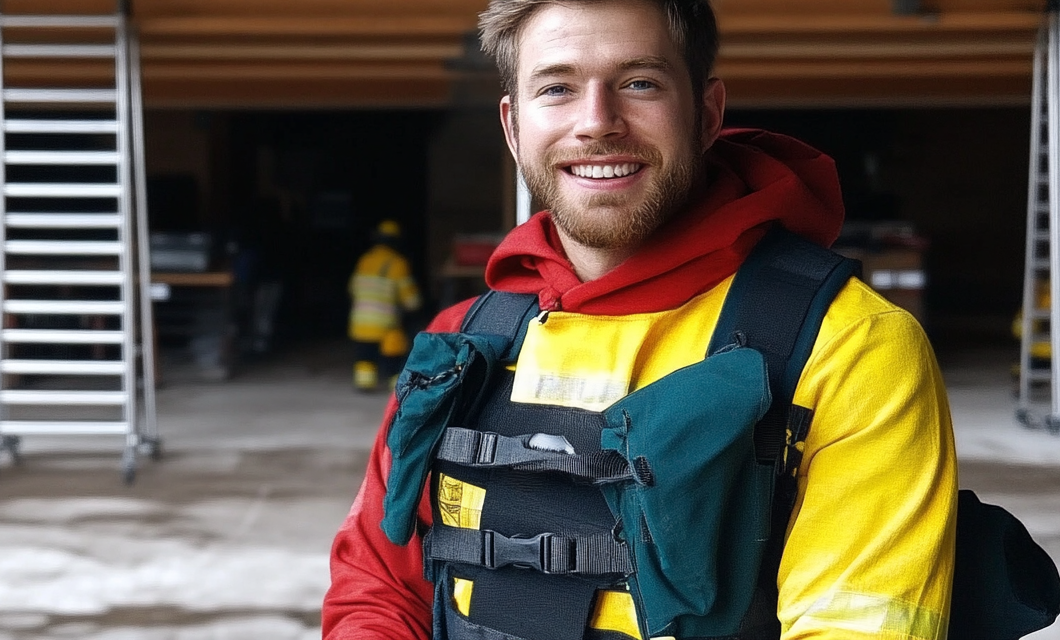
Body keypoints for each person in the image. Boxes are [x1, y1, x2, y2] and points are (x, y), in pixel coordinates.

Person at [322, 0, 958, 638]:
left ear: (706, 114)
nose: (597, 123)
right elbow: (376, 589)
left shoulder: (850, 344)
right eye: (557, 88)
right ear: (514, 128)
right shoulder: (460, 342)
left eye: (639, 83)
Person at [349, 219, 424, 391]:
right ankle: (396, 386)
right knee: (394, 354)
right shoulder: (398, 263)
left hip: (361, 321)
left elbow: (352, 288)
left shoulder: (365, 260)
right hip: (387, 323)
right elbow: (410, 299)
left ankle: (365, 384)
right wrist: (416, 308)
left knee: (365, 355)